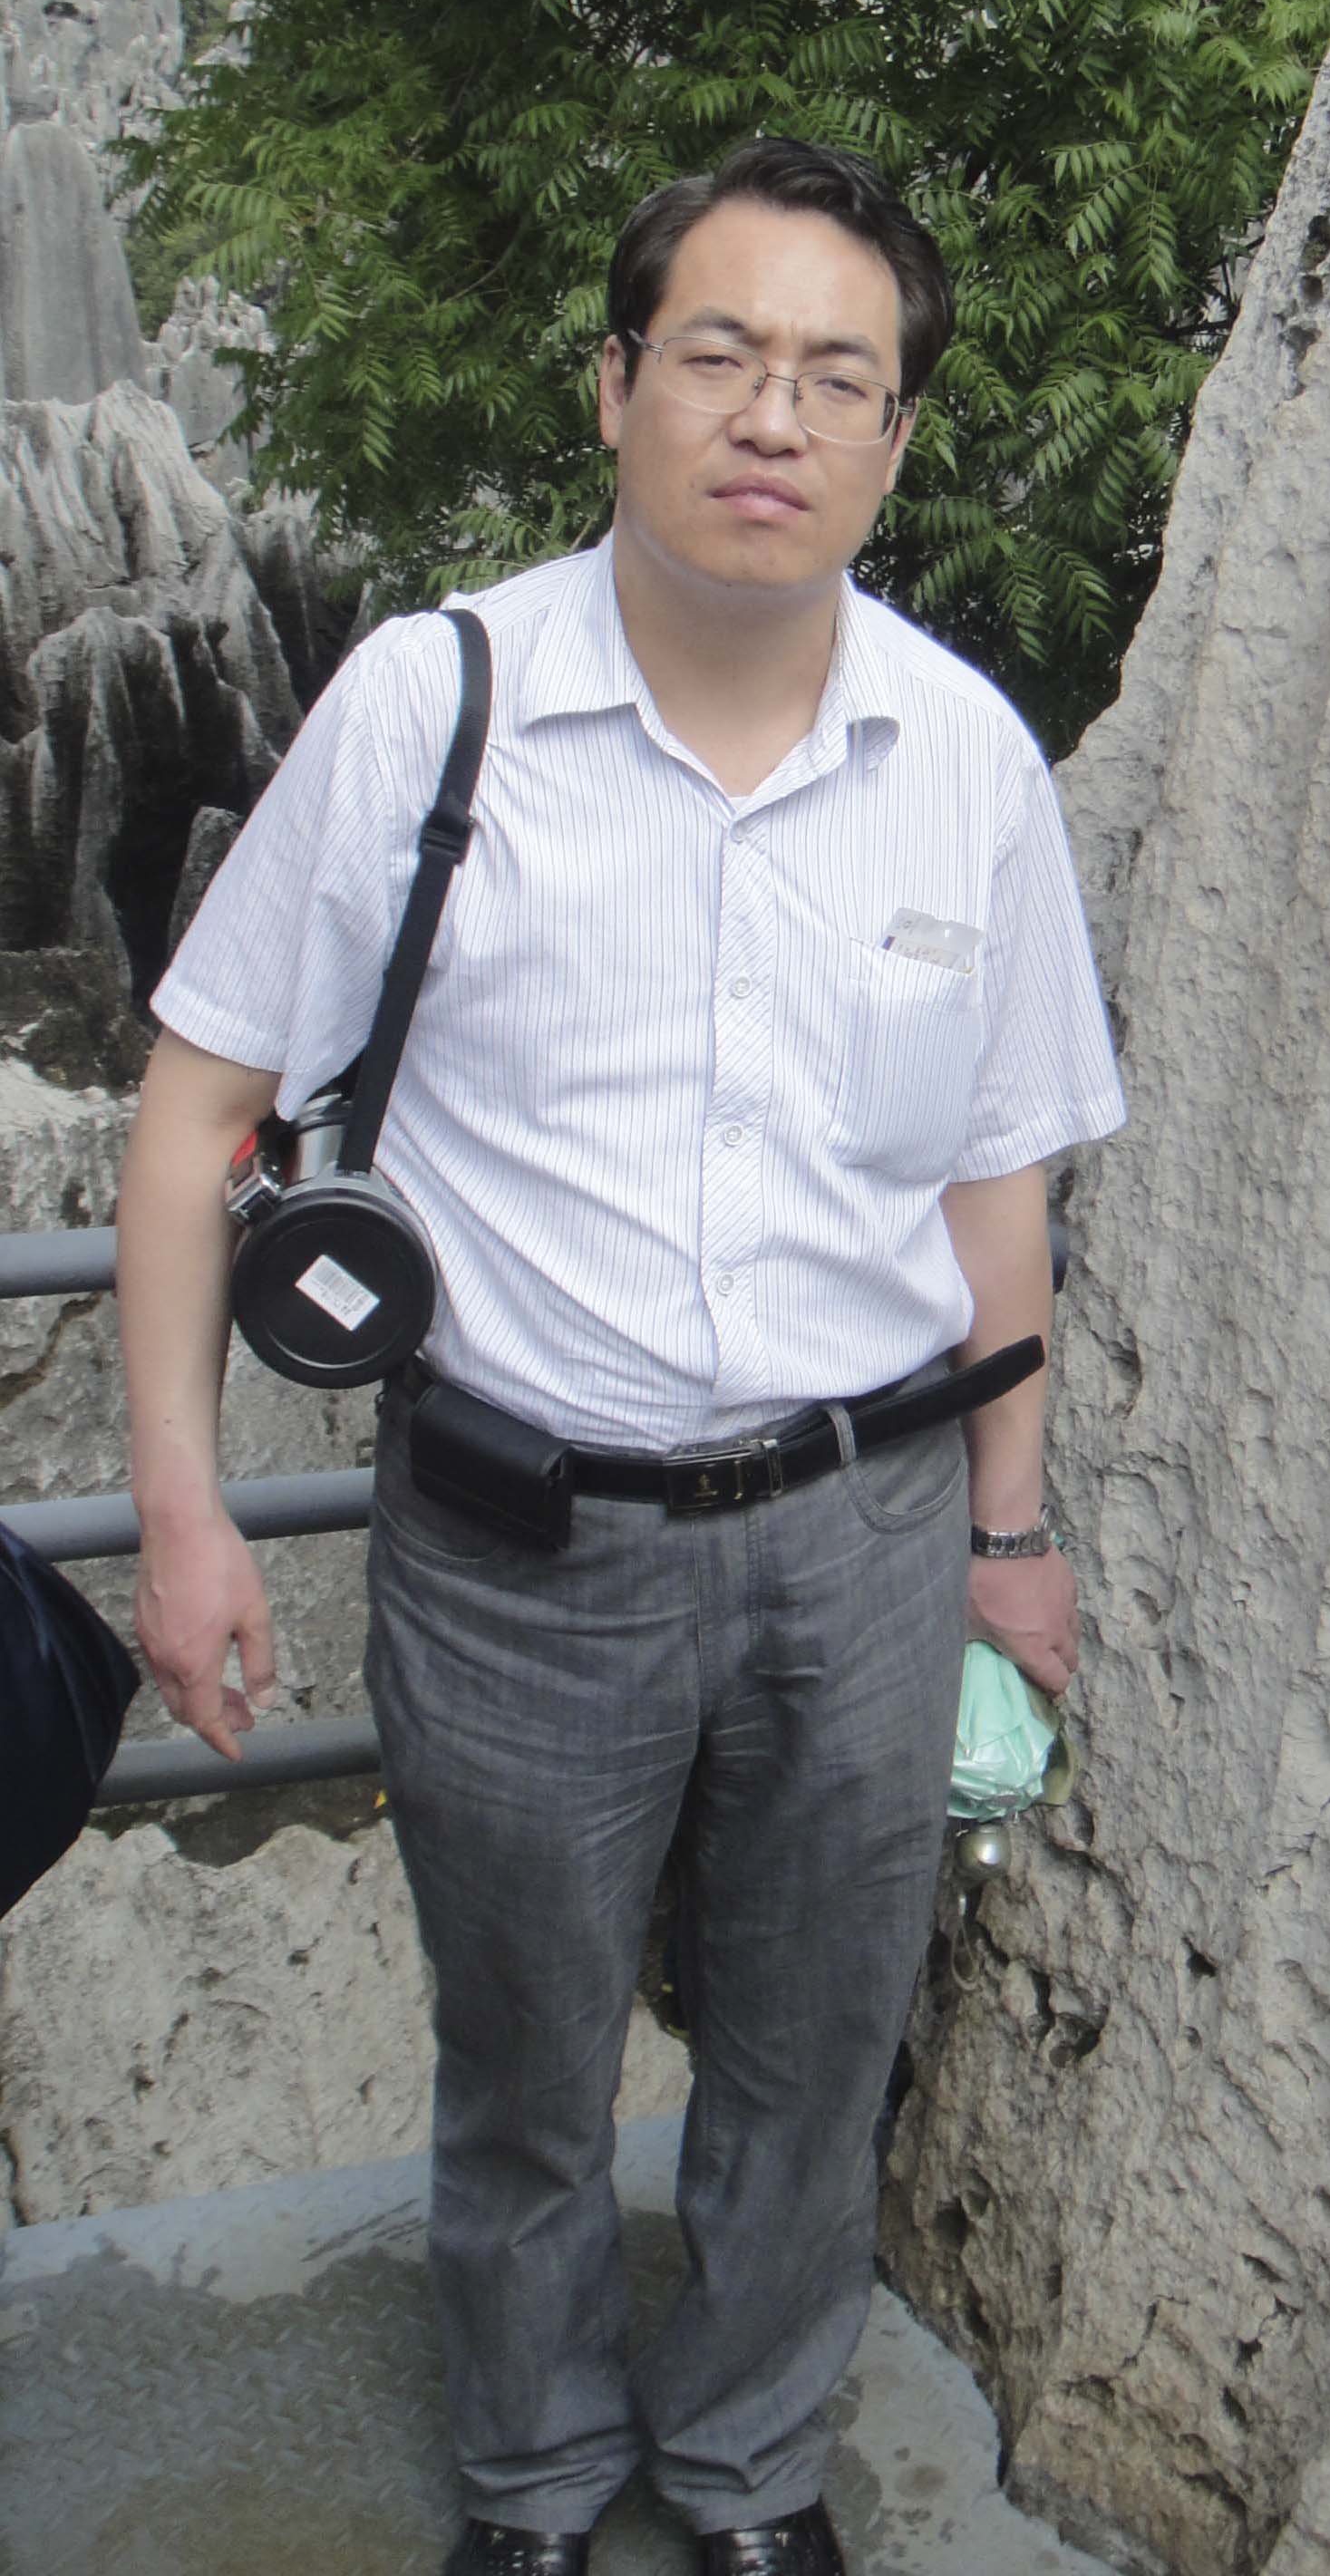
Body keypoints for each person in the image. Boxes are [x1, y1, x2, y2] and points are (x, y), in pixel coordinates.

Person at [115, 138, 1126, 2576]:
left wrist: (1008, 1532)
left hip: (862, 1537)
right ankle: (542, 2480)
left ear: (895, 440)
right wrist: (181, 1510)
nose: (774, 416)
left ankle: (752, 2470)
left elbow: (996, 1181)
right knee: (526, 2067)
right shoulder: (434, 706)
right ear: (616, 387)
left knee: (815, 2056)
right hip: (515, 1542)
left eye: (839, 377)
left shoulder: (965, 759)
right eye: (722, 354)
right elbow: (197, 1106)